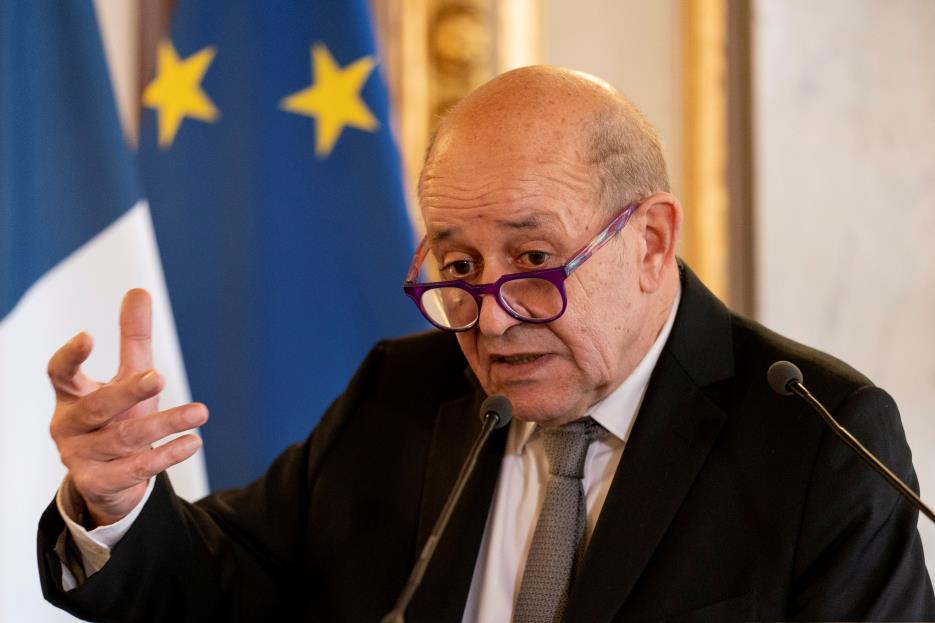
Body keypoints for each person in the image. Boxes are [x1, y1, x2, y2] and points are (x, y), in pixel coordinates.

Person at [38, 66, 934, 622]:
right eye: (457, 262)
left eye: (534, 258)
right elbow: (225, 586)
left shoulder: (817, 441)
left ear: (652, 242)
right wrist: (113, 502)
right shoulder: (403, 392)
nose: (493, 318)